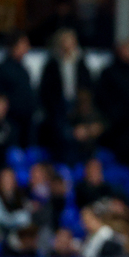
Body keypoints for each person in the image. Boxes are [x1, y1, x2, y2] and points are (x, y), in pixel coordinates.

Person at [39, 28, 92, 159]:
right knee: (61, 133)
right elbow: (47, 90)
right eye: (66, 41)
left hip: (78, 105)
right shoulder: (52, 64)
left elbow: (87, 86)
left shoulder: (81, 63)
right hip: (59, 106)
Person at [0, 31, 36, 147]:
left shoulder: (23, 69)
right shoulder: (2, 69)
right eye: (24, 44)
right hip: (11, 122)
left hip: (27, 121)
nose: (27, 48)